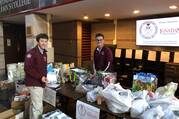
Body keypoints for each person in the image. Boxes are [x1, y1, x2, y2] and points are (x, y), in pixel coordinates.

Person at [24, 33, 48, 119]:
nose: (44, 43)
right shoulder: (31, 53)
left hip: (39, 82)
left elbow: (43, 68)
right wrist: (40, 77)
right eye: (42, 41)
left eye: (45, 41)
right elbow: (27, 68)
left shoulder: (44, 53)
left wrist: (44, 77)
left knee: (34, 105)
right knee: (38, 108)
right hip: (34, 83)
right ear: (38, 41)